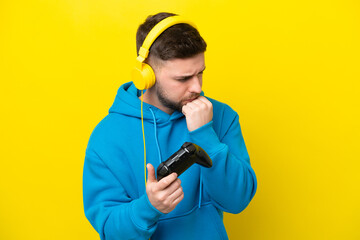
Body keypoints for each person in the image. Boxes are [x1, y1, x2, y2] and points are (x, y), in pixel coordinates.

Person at [83, 12, 257, 240]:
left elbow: (237, 201)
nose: (197, 87)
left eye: (200, 73)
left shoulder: (222, 116)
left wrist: (205, 135)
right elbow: (110, 232)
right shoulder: (106, 138)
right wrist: (149, 207)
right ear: (147, 75)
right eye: (183, 78)